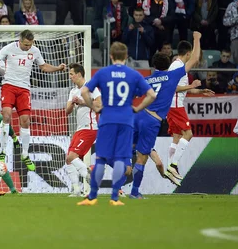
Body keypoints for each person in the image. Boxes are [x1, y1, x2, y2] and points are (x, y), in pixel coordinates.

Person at [77, 42, 157, 206]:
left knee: (100, 159)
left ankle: (92, 197)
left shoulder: (103, 73)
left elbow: (85, 91)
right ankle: (114, 198)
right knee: (121, 159)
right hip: (126, 120)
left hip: (107, 119)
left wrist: (93, 107)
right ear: (126, 57)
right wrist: (137, 108)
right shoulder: (133, 75)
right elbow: (151, 95)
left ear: (111, 56)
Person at [131, 33, 205, 198]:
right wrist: (197, 39)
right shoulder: (172, 76)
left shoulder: (147, 79)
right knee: (142, 158)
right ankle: (134, 192)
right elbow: (193, 60)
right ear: (168, 64)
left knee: (131, 151)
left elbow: (132, 96)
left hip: (139, 116)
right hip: (152, 121)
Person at [0, 30, 66, 172]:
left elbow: (43, 66)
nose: (28, 47)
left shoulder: (35, 50)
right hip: (8, 86)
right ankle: (2, 152)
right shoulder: (8, 48)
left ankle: (25, 154)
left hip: (24, 89)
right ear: (20, 41)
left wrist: (58, 68)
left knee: (26, 120)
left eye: (30, 44)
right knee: (7, 115)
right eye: (26, 44)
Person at [166, 40, 216, 184]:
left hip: (173, 105)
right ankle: (173, 165)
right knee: (188, 134)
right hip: (175, 105)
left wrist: (200, 90)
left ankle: (170, 169)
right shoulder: (177, 65)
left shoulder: (178, 65)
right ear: (188, 53)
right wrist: (191, 85)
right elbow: (172, 88)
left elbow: (183, 88)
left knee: (176, 136)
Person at [65, 63, 101, 197]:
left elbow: (99, 104)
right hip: (79, 129)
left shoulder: (91, 87)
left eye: (71, 74)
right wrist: (73, 102)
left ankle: (89, 176)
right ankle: (75, 190)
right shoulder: (73, 91)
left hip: (90, 128)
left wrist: (83, 102)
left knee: (72, 157)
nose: (70, 77)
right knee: (68, 160)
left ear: (79, 74)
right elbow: (67, 111)